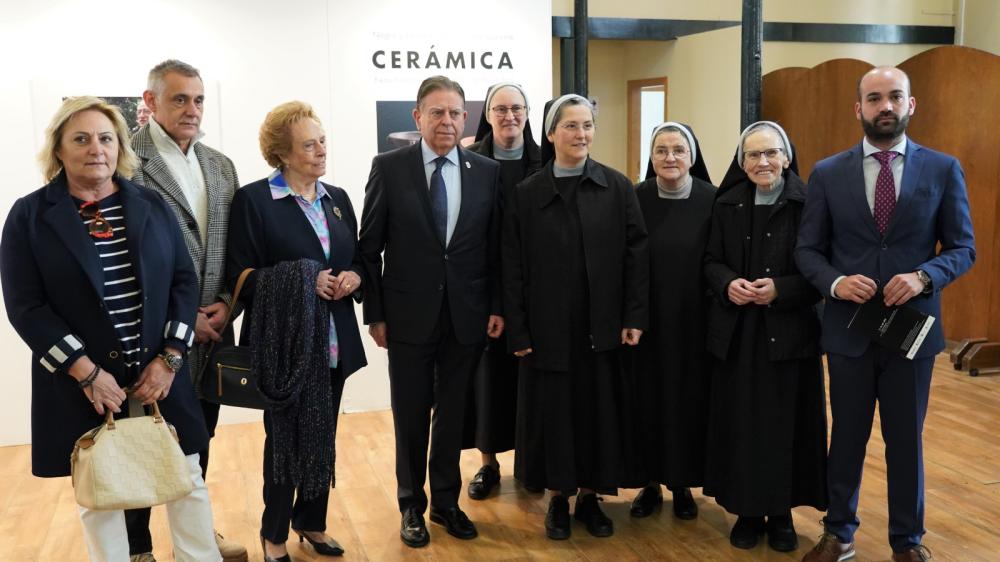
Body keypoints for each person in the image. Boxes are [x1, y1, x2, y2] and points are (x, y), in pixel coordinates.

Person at [0, 96, 220, 562]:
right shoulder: (29, 217)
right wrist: (85, 372)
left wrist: (170, 359)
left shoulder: (151, 205)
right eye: (80, 138)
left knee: (188, 484)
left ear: (120, 146)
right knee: (101, 500)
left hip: (159, 377)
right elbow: (26, 306)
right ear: (58, 149)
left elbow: (184, 282)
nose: (95, 148)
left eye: (105, 138)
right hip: (84, 385)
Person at [796, 66, 975, 562]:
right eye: (874, 99)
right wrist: (834, 282)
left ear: (910, 104)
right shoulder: (828, 173)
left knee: (905, 441)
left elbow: (963, 247)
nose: (885, 107)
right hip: (848, 327)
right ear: (859, 109)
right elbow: (807, 250)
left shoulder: (942, 169)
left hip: (911, 329)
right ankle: (839, 533)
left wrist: (923, 276)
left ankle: (907, 542)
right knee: (846, 438)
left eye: (895, 97)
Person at [358, 75, 503, 548]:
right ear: (417, 117)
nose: (446, 120)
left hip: (466, 315)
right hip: (407, 317)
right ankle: (410, 506)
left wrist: (496, 307)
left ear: (466, 118)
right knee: (411, 413)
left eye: (455, 113)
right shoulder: (390, 167)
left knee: (454, 413)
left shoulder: (486, 171)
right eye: (436, 112)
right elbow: (369, 247)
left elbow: (494, 248)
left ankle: (445, 502)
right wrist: (375, 314)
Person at [503, 94, 649, 540]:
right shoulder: (527, 194)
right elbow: (513, 266)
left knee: (597, 415)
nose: (580, 134)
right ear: (550, 133)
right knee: (556, 417)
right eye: (570, 126)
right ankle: (559, 499)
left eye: (587, 125)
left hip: (601, 327)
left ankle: (590, 496)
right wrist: (519, 328)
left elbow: (636, 255)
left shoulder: (617, 186)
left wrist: (634, 315)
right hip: (547, 331)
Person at [226, 101, 367, 562]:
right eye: (309, 144)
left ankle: (312, 523)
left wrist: (354, 278)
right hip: (283, 346)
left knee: (322, 436)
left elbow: (360, 259)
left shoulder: (338, 199)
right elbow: (240, 276)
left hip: (333, 344)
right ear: (282, 154)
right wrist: (306, 278)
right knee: (283, 444)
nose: (321, 150)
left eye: (322, 140)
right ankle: (273, 534)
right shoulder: (254, 201)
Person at [127, 59, 245, 562]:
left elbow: (233, 244)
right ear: (150, 102)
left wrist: (225, 305)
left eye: (198, 100)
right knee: (138, 441)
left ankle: (193, 535)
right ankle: (137, 546)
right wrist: (180, 316)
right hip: (150, 334)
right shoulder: (125, 161)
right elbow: (121, 256)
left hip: (213, 331)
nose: (192, 109)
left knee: (201, 434)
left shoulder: (219, 164)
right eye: (179, 99)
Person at [702, 121, 827, 553]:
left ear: (787, 158)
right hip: (739, 334)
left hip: (790, 333)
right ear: (741, 162)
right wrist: (727, 283)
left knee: (785, 428)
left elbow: (823, 271)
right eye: (753, 155)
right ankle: (747, 512)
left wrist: (781, 290)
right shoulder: (727, 203)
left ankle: (782, 514)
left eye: (771, 153)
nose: (763, 162)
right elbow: (710, 260)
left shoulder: (809, 203)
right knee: (743, 426)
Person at [629, 122, 714, 521]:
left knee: (686, 403)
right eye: (661, 150)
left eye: (678, 150)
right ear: (651, 157)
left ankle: (681, 484)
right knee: (647, 402)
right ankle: (648, 483)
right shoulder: (635, 198)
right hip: (647, 322)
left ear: (693, 156)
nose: (670, 158)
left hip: (694, 321)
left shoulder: (713, 200)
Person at [462, 82, 542, 499]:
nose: (509, 116)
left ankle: (534, 464)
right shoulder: (469, 161)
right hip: (484, 291)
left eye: (517, 108)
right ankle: (488, 464)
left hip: (536, 292)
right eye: (500, 109)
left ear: (528, 113)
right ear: (488, 114)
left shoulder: (546, 162)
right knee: (489, 382)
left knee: (532, 382)